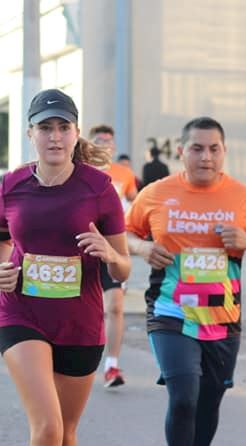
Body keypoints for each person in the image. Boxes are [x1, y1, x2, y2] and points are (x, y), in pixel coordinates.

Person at [0, 89, 130, 446]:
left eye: (63, 128)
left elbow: (125, 263)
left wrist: (106, 253)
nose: (54, 136)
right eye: (45, 127)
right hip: (21, 314)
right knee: (46, 428)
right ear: (31, 134)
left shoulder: (99, 189)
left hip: (80, 320)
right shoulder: (10, 186)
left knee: (67, 433)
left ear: (75, 135)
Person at [126, 117, 246, 446]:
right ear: (181, 151)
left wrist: (245, 242)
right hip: (171, 311)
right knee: (184, 395)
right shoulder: (156, 194)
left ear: (224, 152)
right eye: (197, 148)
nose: (205, 156)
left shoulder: (245, 199)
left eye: (213, 149)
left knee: (210, 400)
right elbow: (122, 235)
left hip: (221, 317)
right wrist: (142, 248)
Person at [90, 124, 138, 388]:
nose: (105, 144)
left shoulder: (124, 174)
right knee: (85, 309)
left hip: (112, 247)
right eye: (99, 140)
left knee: (115, 307)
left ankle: (112, 366)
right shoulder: (79, 169)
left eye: (109, 140)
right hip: (82, 248)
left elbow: (136, 201)